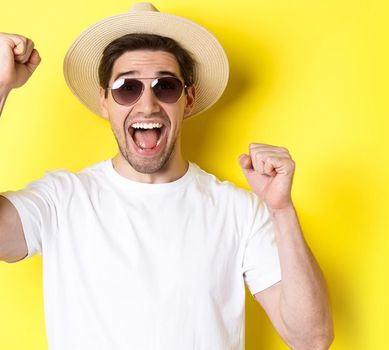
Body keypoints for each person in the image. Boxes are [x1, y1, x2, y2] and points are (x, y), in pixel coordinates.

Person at [0, 3, 333, 349]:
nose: (147, 105)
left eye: (166, 87)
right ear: (104, 101)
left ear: (188, 100)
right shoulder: (62, 200)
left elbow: (312, 339)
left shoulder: (239, 211)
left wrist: (281, 210)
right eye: (128, 88)